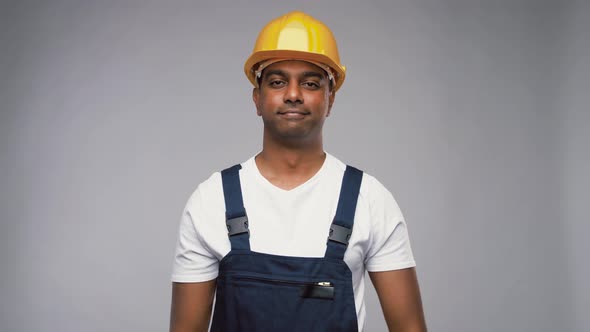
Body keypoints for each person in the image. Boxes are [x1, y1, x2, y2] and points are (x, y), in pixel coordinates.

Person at [169, 11, 427, 332]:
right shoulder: (211, 201)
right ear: (257, 98)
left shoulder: (370, 200)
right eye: (277, 82)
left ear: (330, 100)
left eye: (310, 83)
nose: (293, 94)